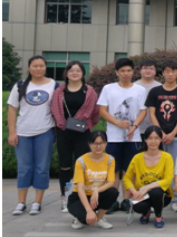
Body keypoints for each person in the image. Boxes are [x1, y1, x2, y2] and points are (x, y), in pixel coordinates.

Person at [7, 55, 58, 216]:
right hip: (22, 132)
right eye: (35, 66)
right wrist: (12, 132)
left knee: (42, 168)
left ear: (45, 67)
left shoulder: (53, 85)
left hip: (45, 132)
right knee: (24, 168)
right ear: (29, 68)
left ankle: (37, 202)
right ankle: (21, 202)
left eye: (41, 66)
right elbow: (12, 109)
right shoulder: (20, 85)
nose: (38, 69)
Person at [97, 57, 148, 214]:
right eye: (122, 71)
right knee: (113, 169)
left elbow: (143, 111)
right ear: (117, 72)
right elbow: (102, 110)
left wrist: (134, 126)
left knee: (129, 169)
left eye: (129, 70)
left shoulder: (140, 90)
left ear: (133, 72)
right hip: (113, 137)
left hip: (133, 137)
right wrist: (117, 123)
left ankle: (126, 199)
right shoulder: (108, 89)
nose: (126, 73)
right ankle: (112, 200)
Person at [50, 60, 100, 212]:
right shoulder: (59, 91)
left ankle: (80, 197)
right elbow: (54, 109)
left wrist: (83, 122)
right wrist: (63, 123)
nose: (75, 73)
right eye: (71, 70)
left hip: (83, 133)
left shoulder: (89, 91)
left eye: (78, 70)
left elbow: (95, 113)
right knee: (64, 166)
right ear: (66, 73)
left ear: (83, 73)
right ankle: (65, 198)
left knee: (82, 166)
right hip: (63, 131)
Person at [146, 60, 177, 211]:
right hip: (157, 137)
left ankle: (175, 199)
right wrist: (161, 133)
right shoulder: (155, 92)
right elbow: (152, 114)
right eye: (167, 71)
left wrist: (172, 133)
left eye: (173, 71)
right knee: (156, 167)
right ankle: (156, 198)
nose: (170, 74)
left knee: (175, 169)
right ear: (163, 73)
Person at [123, 125, 175, 228]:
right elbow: (126, 179)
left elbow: (168, 180)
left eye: (156, 138)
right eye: (150, 138)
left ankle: (158, 216)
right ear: (145, 140)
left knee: (156, 192)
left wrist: (147, 188)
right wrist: (135, 192)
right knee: (138, 207)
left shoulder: (167, 157)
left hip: (162, 194)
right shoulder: (137, 158)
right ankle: (146, 211)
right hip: (142, 194)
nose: (153, 141)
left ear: (160, 140)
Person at [67, 131, 118, 230]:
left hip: (97, 196)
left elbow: (111, 182)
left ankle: (99, 218)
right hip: (79, 197)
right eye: (95, 143)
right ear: (89, 144)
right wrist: (89, 210)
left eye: (101, 143)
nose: (98, 146)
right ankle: (79, 218)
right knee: (85, 220)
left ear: (106, 143)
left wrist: (96, 191)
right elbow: (80, 188)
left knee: (113, 192)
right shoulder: (81, 161)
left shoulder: (110, 160)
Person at [134, 59, 161, 135]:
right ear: (140, 71)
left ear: (155, 71)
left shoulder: (160, 87)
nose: (148, 71)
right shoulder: (133, 87)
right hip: (136, 128)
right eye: (145, 68)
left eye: (151, 68)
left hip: (155, 128)